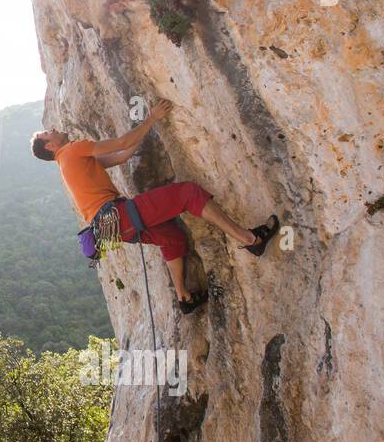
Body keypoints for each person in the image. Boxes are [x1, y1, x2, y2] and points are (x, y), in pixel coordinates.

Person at [31, 100, 278, 312]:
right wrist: (152, 118)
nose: (52, 129)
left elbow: (121, 156)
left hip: (113, 229)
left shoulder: (68, 163)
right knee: (188, 193)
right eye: (47, 133)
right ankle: (250, 240)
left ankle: (185, 298)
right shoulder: (73, 150)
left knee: (171, 238)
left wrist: (148, 130)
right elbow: (120, 143)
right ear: (51, 146)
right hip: (119, 215)